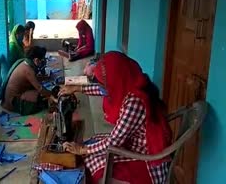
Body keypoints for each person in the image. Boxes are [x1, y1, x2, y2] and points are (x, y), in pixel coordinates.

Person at [60, 52, 172, 184]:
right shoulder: (134, 81)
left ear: (117, 80)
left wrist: (82, 150)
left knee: (90, 159)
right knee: (92, 142)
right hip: (134, 143)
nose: (104, 89)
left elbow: (114, 141)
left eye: (106, 85)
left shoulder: (134, 102)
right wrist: (77, 88)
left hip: (145, 159)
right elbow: (104, 89)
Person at [1, 46, 51, 115]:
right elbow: (40, 88)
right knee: (40, 98)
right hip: (13, 102)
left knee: (41, 95)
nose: (43, 62)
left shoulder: (24, 62)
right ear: (36, 60)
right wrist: (51, 95)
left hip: (10, 98)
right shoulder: (28, 70)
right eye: (42, 60)